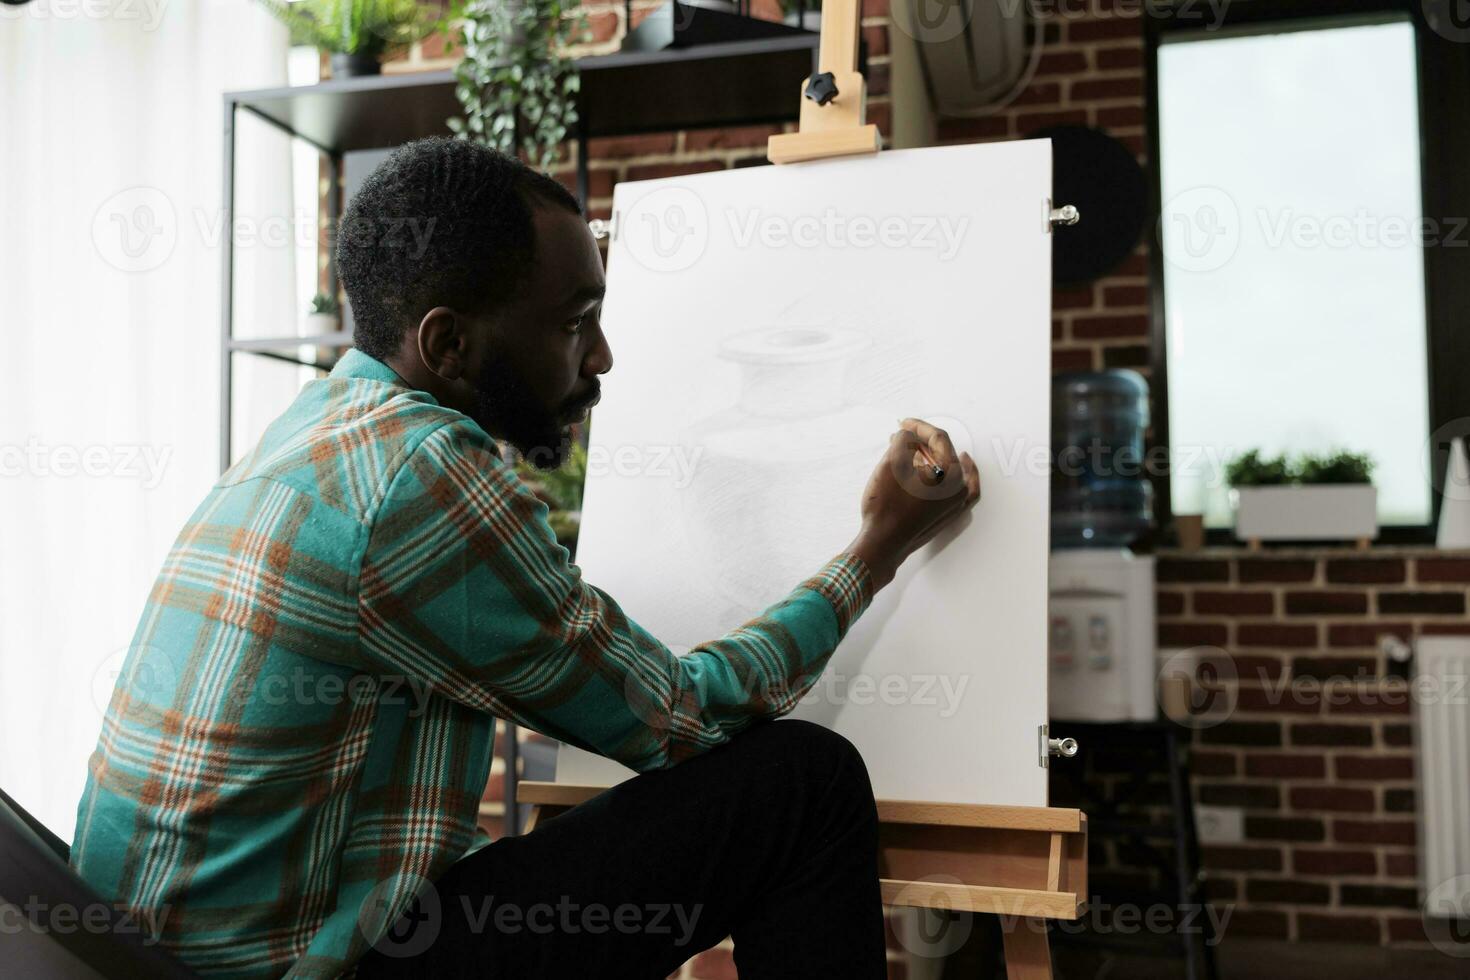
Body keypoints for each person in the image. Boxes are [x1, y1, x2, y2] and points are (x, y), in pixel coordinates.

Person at [71, 137, 981, 980]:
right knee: (801, 784)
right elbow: (680, 718)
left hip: (156, 959)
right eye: (574, 323)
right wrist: (878, 544)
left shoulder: (320, 427)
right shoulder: (419, 471)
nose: (604, 357)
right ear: (449, 344)